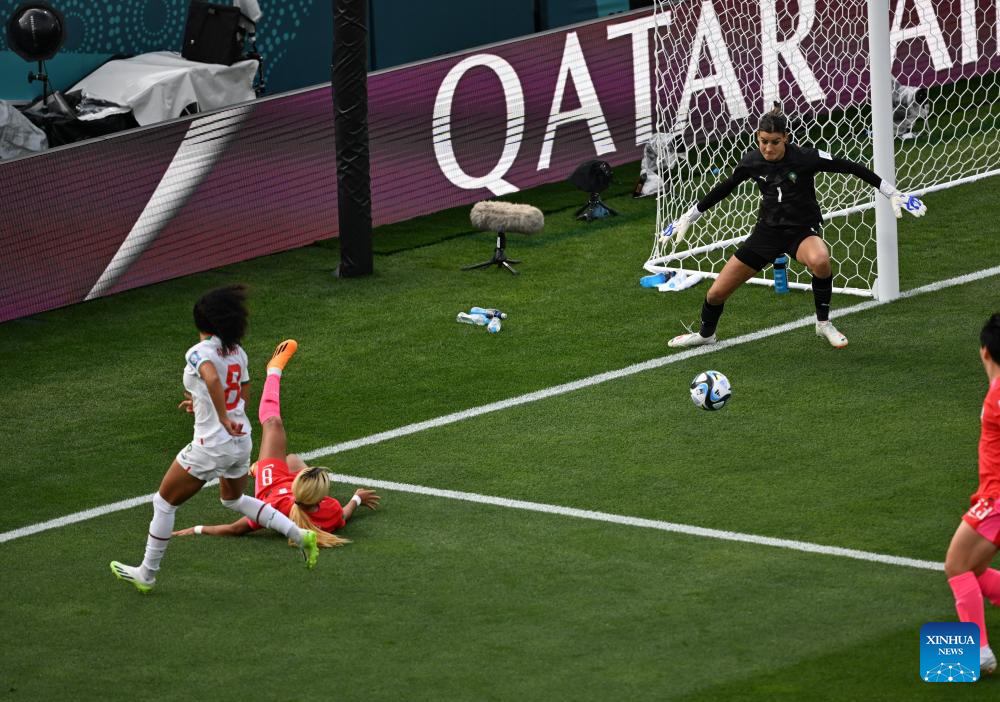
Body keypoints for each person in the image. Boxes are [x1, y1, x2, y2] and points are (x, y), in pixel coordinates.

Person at [110, 287, 319, 594]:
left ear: (201, 322)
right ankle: (300, 535)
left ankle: (147, 574)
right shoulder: (238, 353)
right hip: (240, 441)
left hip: (212, 446)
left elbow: (211, 378)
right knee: (232, 499)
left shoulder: (198, 352)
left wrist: (219, 417)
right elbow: (241, 394)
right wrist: (205, 406)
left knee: (163, 503)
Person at [664, 105, 927, 350]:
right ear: (757, 138)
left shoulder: (805, 157)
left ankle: (823, 323)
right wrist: (689, 216)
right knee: (716, 293)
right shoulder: (752, 161)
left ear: (786, 138)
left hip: (801, 230)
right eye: (763, 141)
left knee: (820, 260)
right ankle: (706, 335)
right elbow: (725, 188)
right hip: (767, 233)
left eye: (774, 142)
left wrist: (892, 193)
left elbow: (850, 167)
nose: (768, 148)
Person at [172, 339, 380, 545]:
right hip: (289, 484)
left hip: (271, 484)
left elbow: (235, 529)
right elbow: (343, 514)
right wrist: (357, 499)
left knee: (273, 424)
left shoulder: (274, 510)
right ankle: (258, 467)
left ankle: (274, 370)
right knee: (293, 460)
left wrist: (196, 529)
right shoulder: (330, 509)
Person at [943, 313, 1000, 675]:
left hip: (997, 499)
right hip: (991, 496)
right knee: (973, 568)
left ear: (984, 352)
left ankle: (977, 653)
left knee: (956, 565)